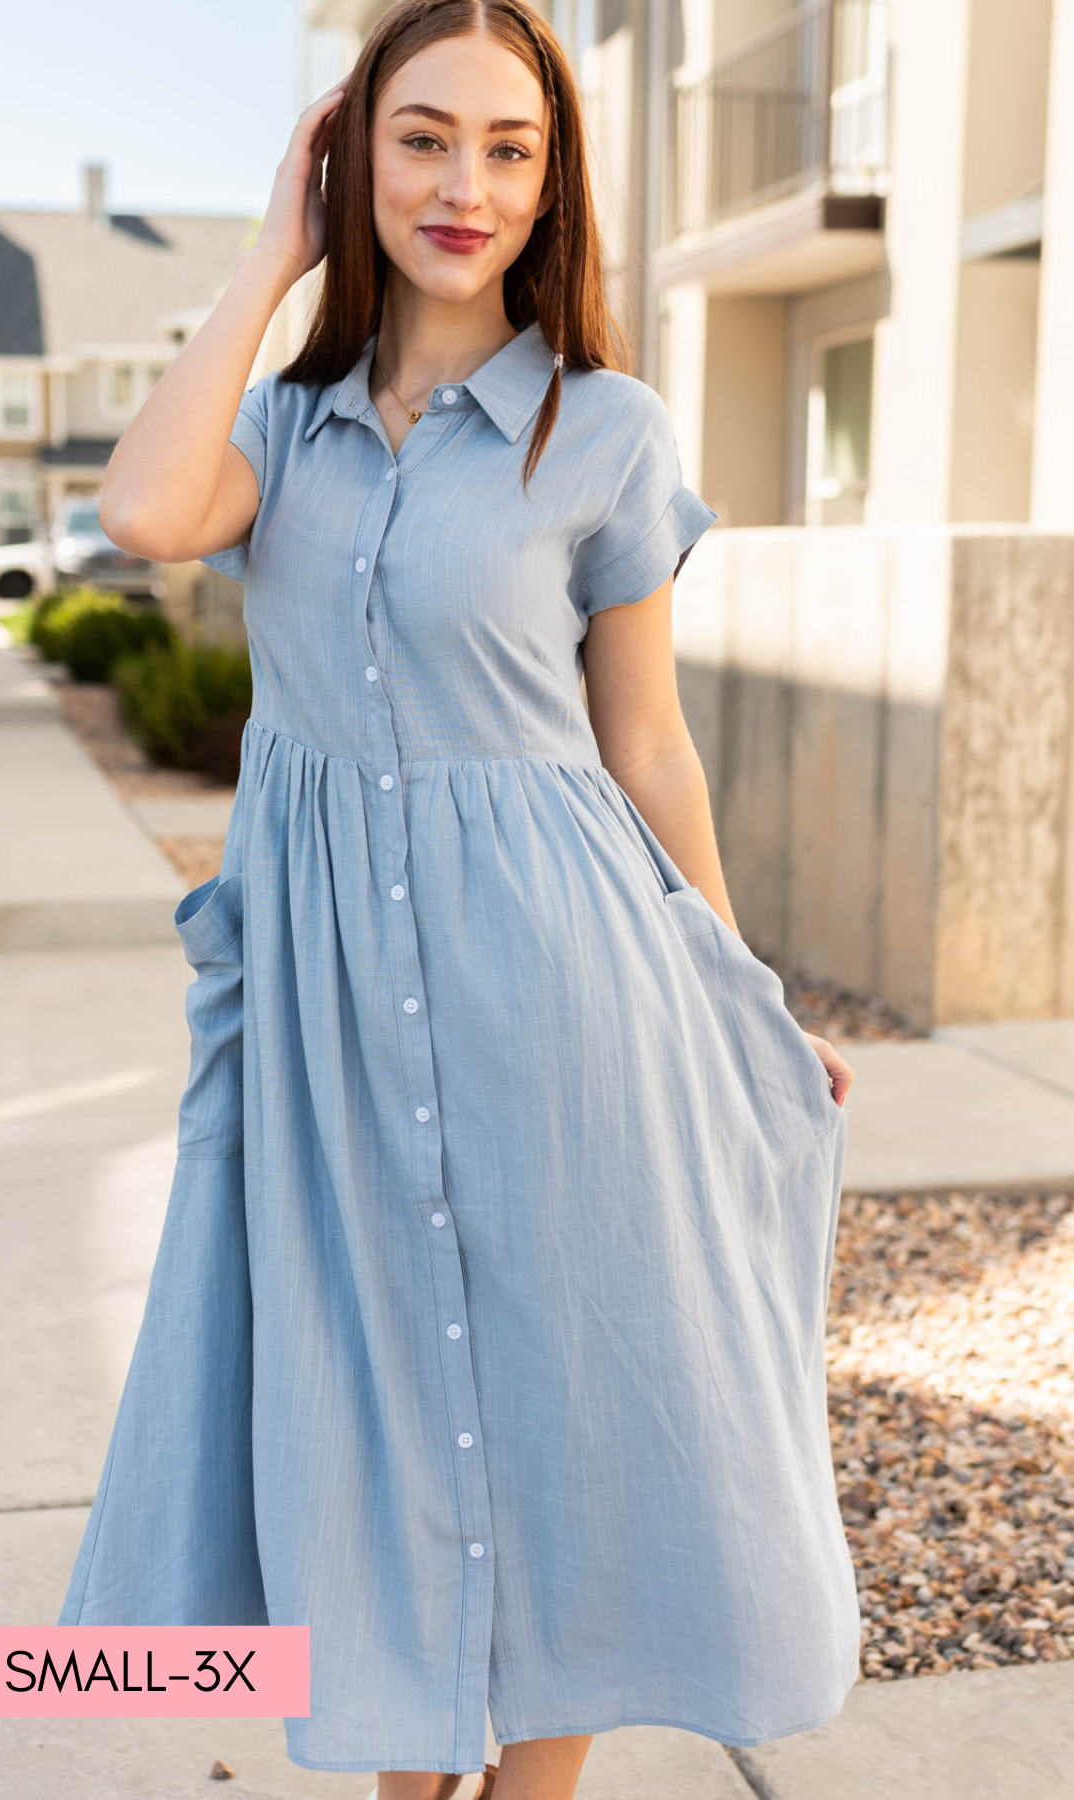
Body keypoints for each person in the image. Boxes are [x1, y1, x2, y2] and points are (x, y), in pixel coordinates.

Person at [54, 3, 861, 1796]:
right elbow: (141, 505)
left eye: (509, 147)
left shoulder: (606, 435)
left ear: (551, 182)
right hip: (330, 1004)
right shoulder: (278, 429)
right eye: (421, 137)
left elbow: (644, 746)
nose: (464, 183)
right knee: (367, 1424)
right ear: (355, 158)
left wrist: (738, 996)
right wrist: (276, 246)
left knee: (571, 1409)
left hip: (566, 989)